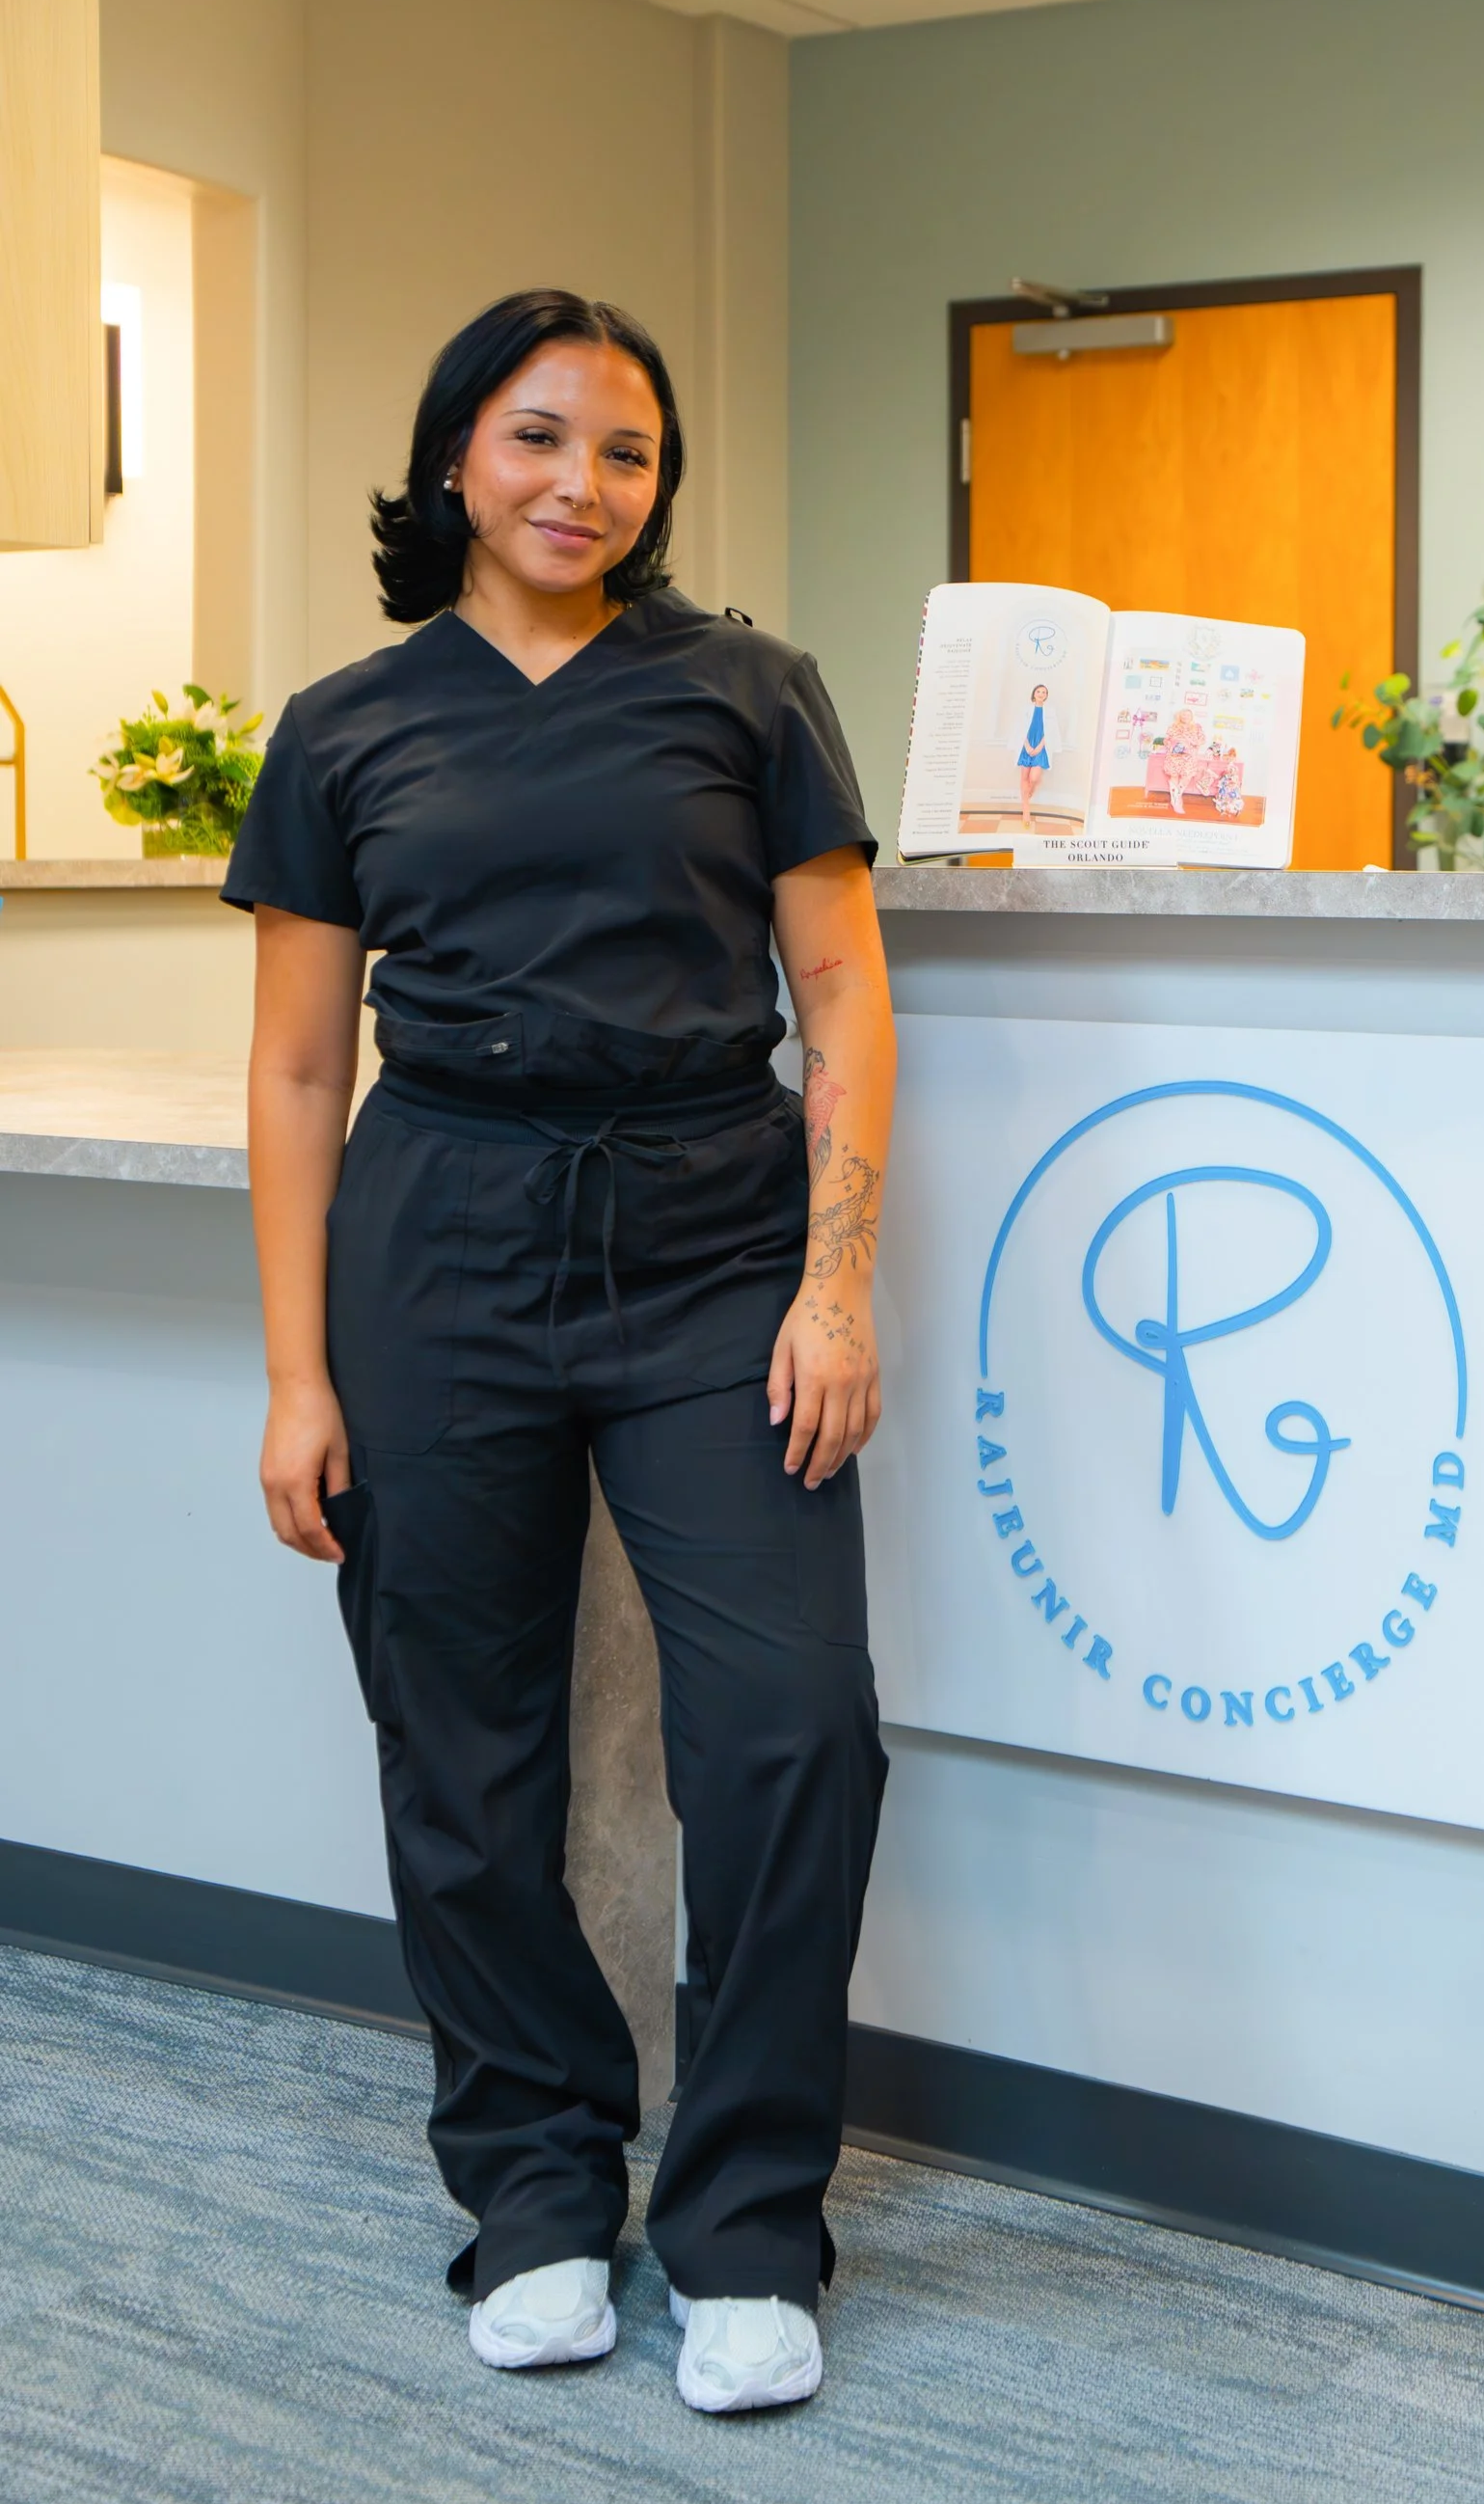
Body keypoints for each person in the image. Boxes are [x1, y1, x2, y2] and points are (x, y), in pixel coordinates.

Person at [223, 288, 895, 2416]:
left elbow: (846, 997)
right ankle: (528, 2186)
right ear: (451, 460)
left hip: (714, 1237)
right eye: (536, 438)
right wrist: (298, 1371)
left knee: (791, 1728)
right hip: (443, 1239)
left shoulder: (746, 690)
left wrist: (836, 1278)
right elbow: (297, 1061)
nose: (579, 484)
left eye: (624, 451)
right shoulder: (345, 723)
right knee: (461, 1734)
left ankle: (748, 2220)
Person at [1015, 682, 1050, 827]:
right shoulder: (1026, 709)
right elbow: (1019, 729)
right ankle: (1026, 811)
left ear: (1046, 696)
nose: (1041, 694)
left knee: (1034, 778)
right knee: (1024, 778)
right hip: (1026, 747)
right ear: (1034, 694)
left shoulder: (1050, 712)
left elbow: (1050, 732)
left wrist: (1038, 748)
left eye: (1044, 692)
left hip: (1040, 748)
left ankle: (1031, 790)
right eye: (1038, 692)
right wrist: (1028, 747)